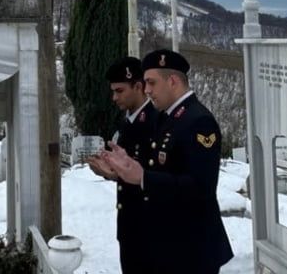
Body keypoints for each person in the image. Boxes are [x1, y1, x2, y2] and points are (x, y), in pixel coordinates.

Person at [94, 48, 233, 274]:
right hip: (168, 245)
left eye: (151, 83)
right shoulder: (167, 117)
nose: (146, 90)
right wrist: (125, 168)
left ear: (173, 81)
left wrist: (143, 178)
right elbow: (158, 167)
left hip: (191, 250)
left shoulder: (198, 121)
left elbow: (201, 187)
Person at [87, 56, 158, 274]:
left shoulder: (156, 122)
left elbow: (155, 175)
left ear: (138, 87)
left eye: (119, 91)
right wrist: (111, 173)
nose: (114, 97)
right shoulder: (128, 121)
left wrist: (119, 173)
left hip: (150, 228)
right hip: (130, 225)